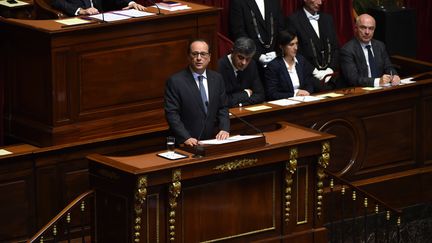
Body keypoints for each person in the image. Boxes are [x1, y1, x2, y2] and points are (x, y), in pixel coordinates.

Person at [164, 39, 230, 147]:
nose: (199, 58)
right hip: (186, 143)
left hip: (211, 141)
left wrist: (224, 128)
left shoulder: (217, 78)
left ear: (209, 57)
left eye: (203, 54)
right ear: (188, 57)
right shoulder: (176, 81)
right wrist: (186, 137)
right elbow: (172, 114)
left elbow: (223, 107)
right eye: (195, 54)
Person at [286, 0, 340, 90]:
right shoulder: (293, 20)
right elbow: (294, 51)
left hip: (331, 76)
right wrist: (314, 71)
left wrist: (330, 69)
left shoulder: (327, 19)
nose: (320, 3)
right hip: (309, 77)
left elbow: (336, 48)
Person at [340, 14, 400, 87]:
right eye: (363, 28)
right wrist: (378, 81)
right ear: (356, 28)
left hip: (382, 89)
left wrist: (394, 75)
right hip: (360, 92)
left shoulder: (380, 46)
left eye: (371, 28)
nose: (367, 32)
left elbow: (388, 67)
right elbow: (353, 79)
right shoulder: (347, 50)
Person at [229, 0, 285, 67]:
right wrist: (257, 56)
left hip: (275, 59)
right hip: (250, 61)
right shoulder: (238, 2)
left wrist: (277, 52)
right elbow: (238, 32)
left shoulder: (274, 1)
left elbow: (280, 28)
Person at [265, 30, 316, 100]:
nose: (296, 48)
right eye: (291, 44)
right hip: (285, 104)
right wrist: (295, 94)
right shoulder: (273, 66)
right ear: (281, 46)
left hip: (304, 99)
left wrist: (307, 91)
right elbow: (272, 93)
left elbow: (309, 83)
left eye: (296, 43)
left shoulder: (301, 60)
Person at [217, 37, 265, 108]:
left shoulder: (252, 65)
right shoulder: (219, 67)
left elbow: (260, 95)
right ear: (232, 52)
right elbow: (221, 101)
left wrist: (240, 104)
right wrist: (246, 93)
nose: (244, 63)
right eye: (240, 57)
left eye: (248, 59)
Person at [53, 0, 146, 16]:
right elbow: (57, 1)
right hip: (78, 19)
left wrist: (131, 3)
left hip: (100, 18)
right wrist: (81, 10)